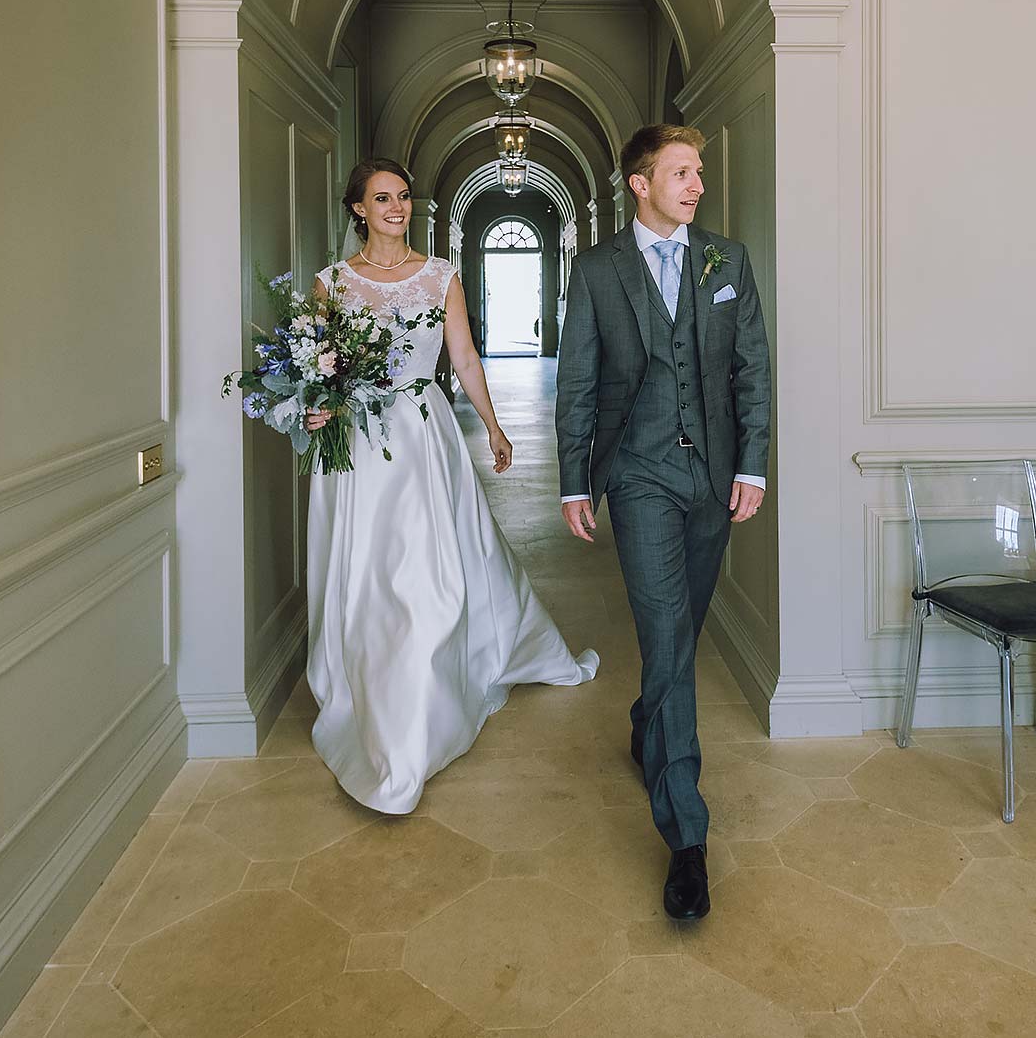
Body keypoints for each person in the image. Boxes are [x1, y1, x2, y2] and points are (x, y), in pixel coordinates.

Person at [302, 158, 599, 815]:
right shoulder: (330, 286)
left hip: (421, 438)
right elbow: (315, 370)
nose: (397, 207)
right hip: (355, 444)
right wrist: (314, 407)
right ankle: (373, 696)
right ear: (357, 208)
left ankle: (416, 717)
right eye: (383, 198)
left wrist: (493, 425)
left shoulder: (440, 276)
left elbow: (463, 356)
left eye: (404, 196)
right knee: (367, 576)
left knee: (426, 574)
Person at [555, 124, 771, 921]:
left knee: (678, 634)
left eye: (700, 171)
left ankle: (649, 719)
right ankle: (686, 835)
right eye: (682, 172)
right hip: (640, 473)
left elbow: (752, 370)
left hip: (712, 479)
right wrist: (575, 479)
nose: (698, 184)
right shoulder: (599, 269)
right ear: (641, 183)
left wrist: (751, 466)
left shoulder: (728, 261)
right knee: (667, 631)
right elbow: (577, 380)